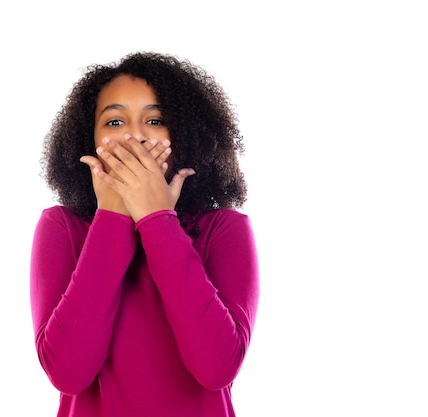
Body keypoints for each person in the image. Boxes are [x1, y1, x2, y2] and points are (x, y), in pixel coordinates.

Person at [30, 51, 259, 417]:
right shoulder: (62, 227)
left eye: (154, 120)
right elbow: (68, 373)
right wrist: (112, 217)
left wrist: (156, 218)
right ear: (89, 141)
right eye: (115, 122)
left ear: (183, 133)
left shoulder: (226, 229)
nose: (135, 136)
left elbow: (216, 368)